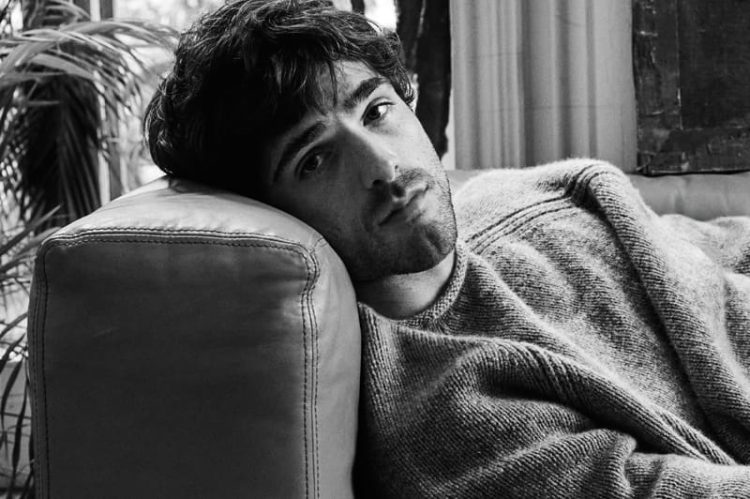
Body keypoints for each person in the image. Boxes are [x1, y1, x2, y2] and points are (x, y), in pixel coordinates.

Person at [144, 0, 750, 496]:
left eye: (377, 110)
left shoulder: (538, 195)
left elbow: (720, 254)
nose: (384, 166)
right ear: (274, 215)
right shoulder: (446, 419)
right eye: (315, 160)